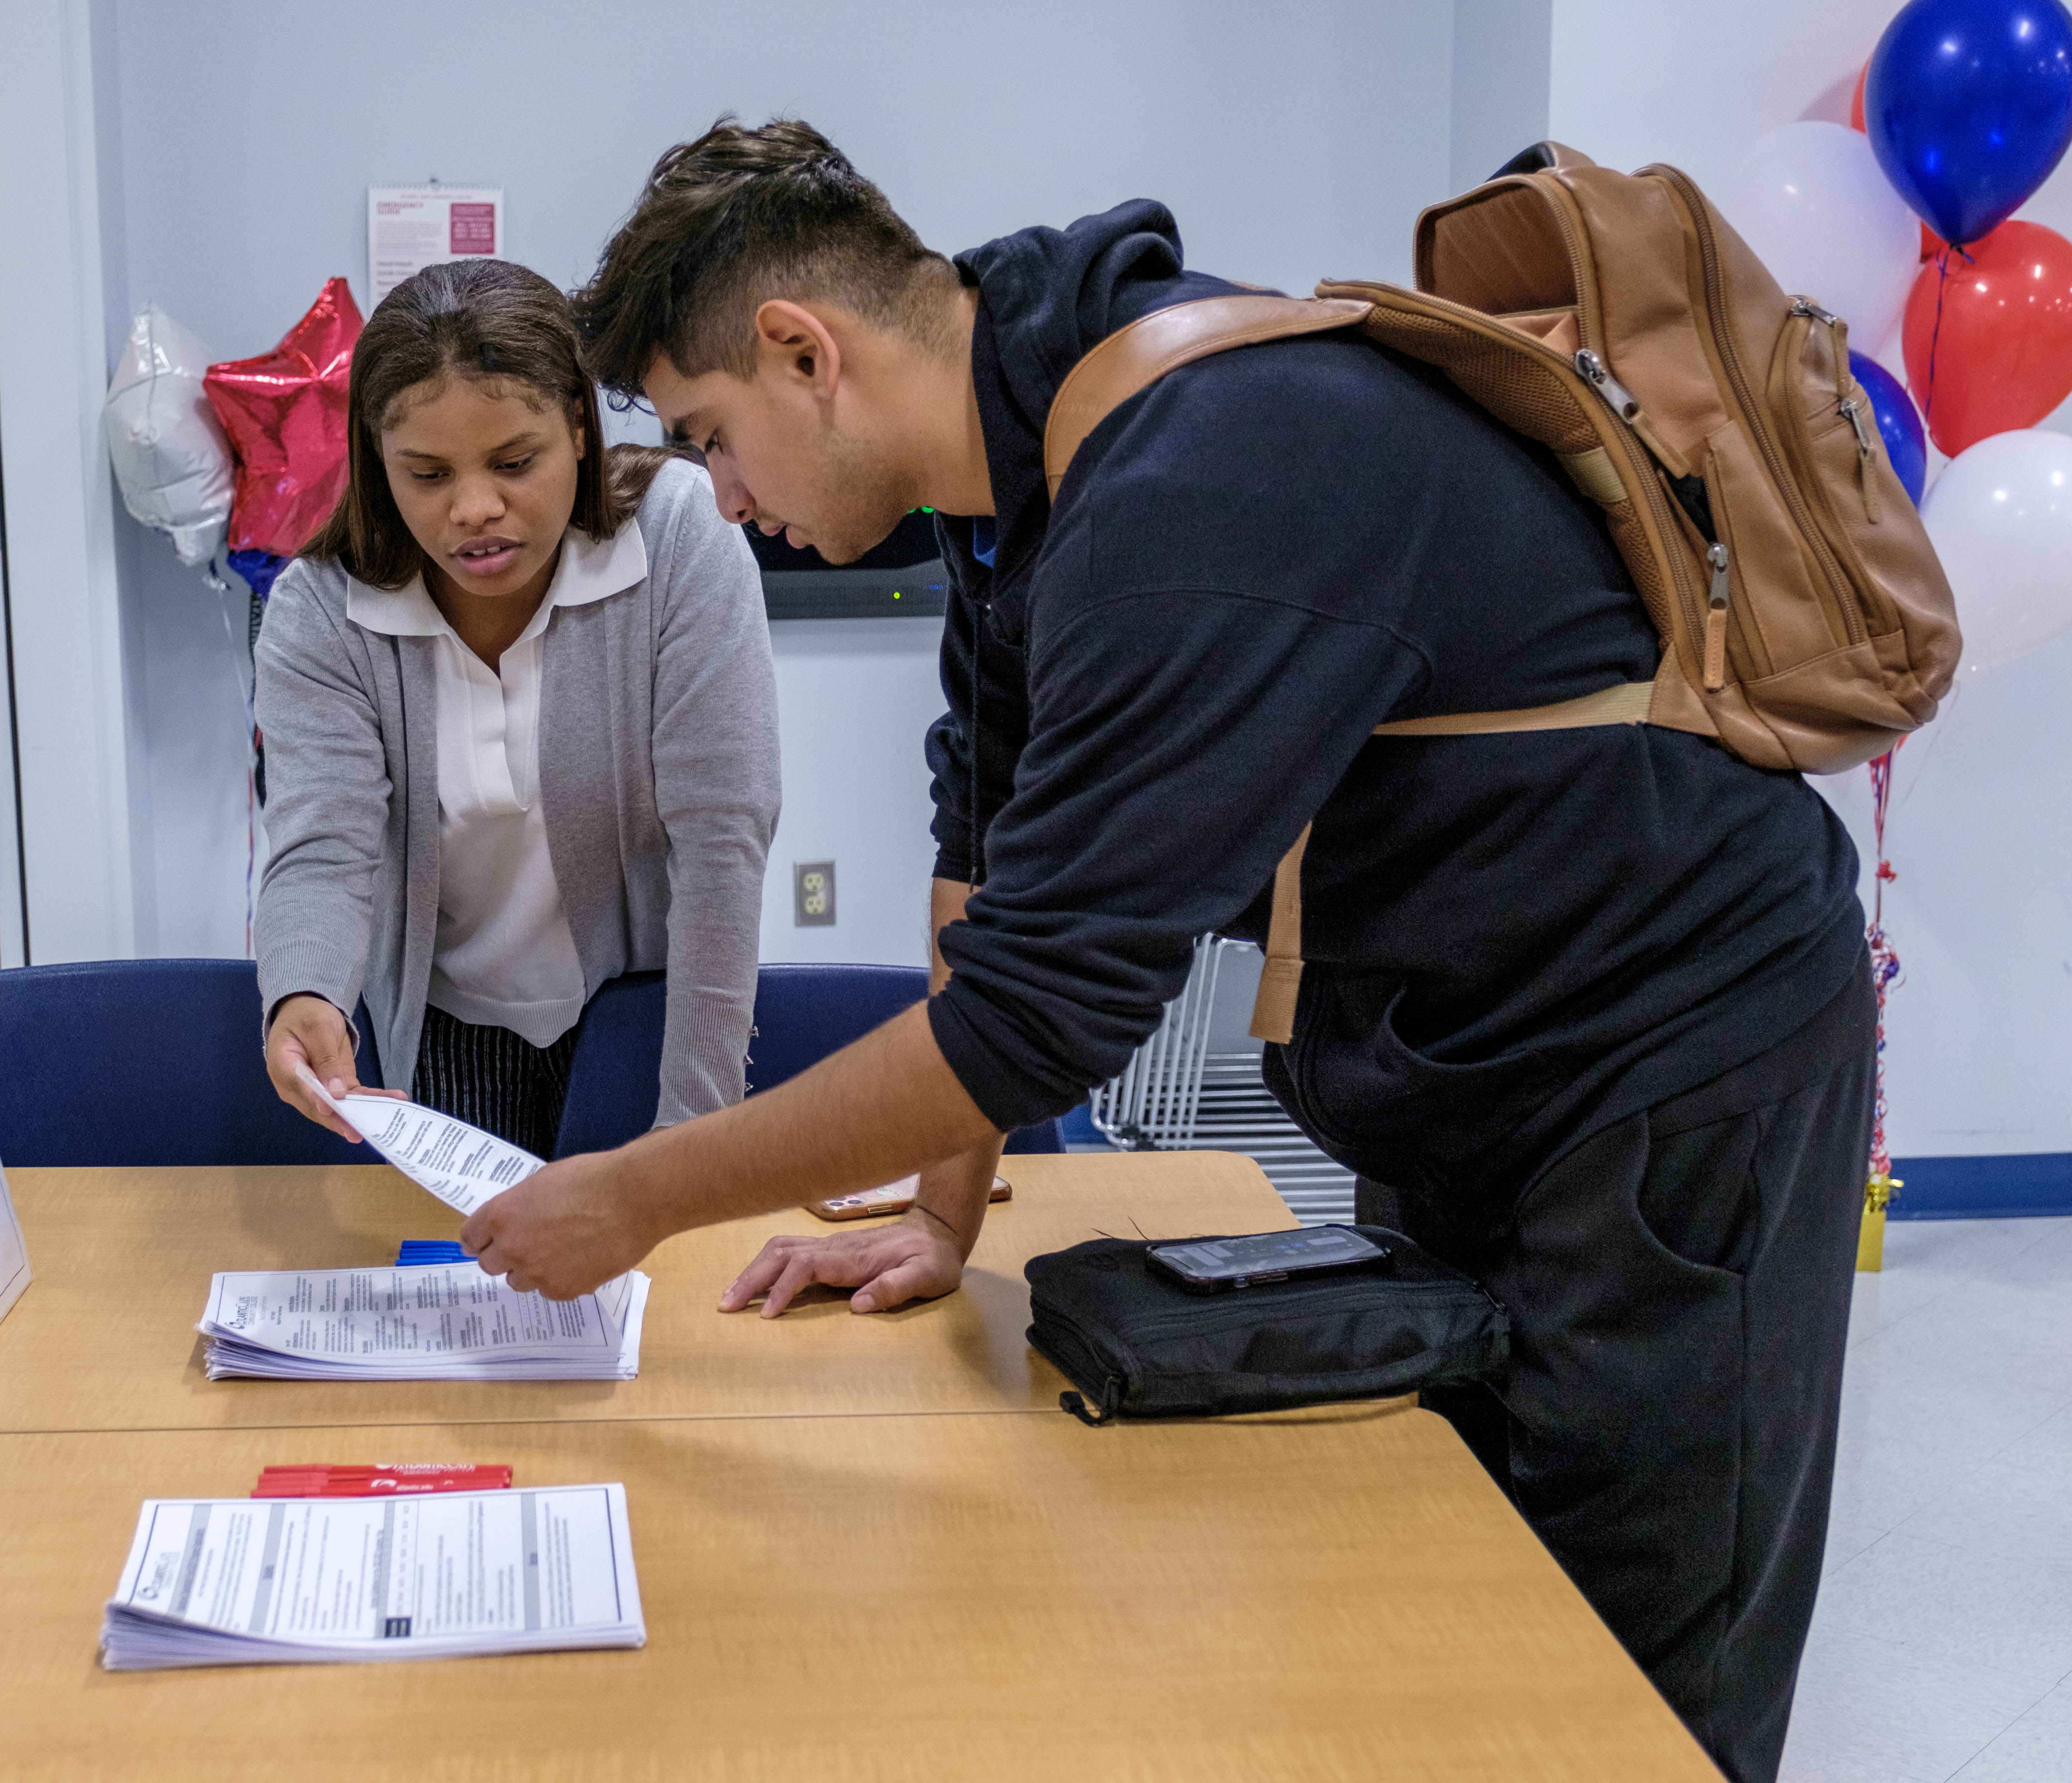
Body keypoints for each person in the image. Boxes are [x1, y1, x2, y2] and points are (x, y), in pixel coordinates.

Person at [459, 122, 1871, 1783]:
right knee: (1455, 1583)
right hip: (1463, 1062)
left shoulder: (1197, 474)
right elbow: (984, 885)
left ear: (802, 352)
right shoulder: (1018, 484)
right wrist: (939, 1210)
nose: (726, 498)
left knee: (1625, 1679)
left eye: (712, 437)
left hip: (1673, 1059)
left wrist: (638, 1193)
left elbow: (1037, 1023)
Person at [254, 257, 779, 1159]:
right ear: (379, 464)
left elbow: (720, 843)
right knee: (481, 1286)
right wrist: (305, 990)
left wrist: (695, 1132)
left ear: (579, 426)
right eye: (425, 473)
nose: (474, 508)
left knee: (662, 1280)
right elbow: (323, 844)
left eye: (513, 461)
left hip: (648, 1012)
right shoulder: (321, 611)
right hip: (449, 1027)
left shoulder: (679, 536)